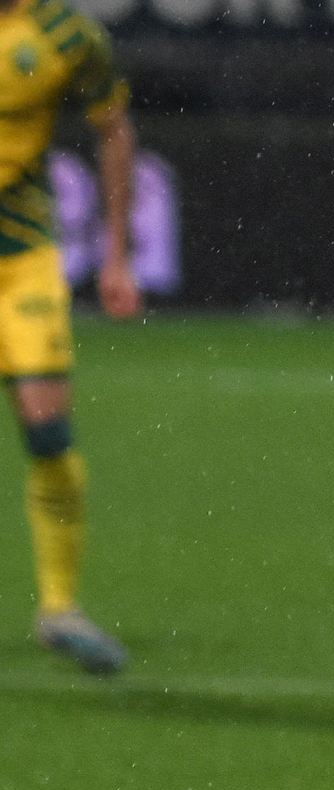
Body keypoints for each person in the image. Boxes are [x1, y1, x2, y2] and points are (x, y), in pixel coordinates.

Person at [1, 0, 140, 674]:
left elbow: (112, 128)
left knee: (48, 431)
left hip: (22, 257)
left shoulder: (65, 35)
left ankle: (59, 607)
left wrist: (115, 255)